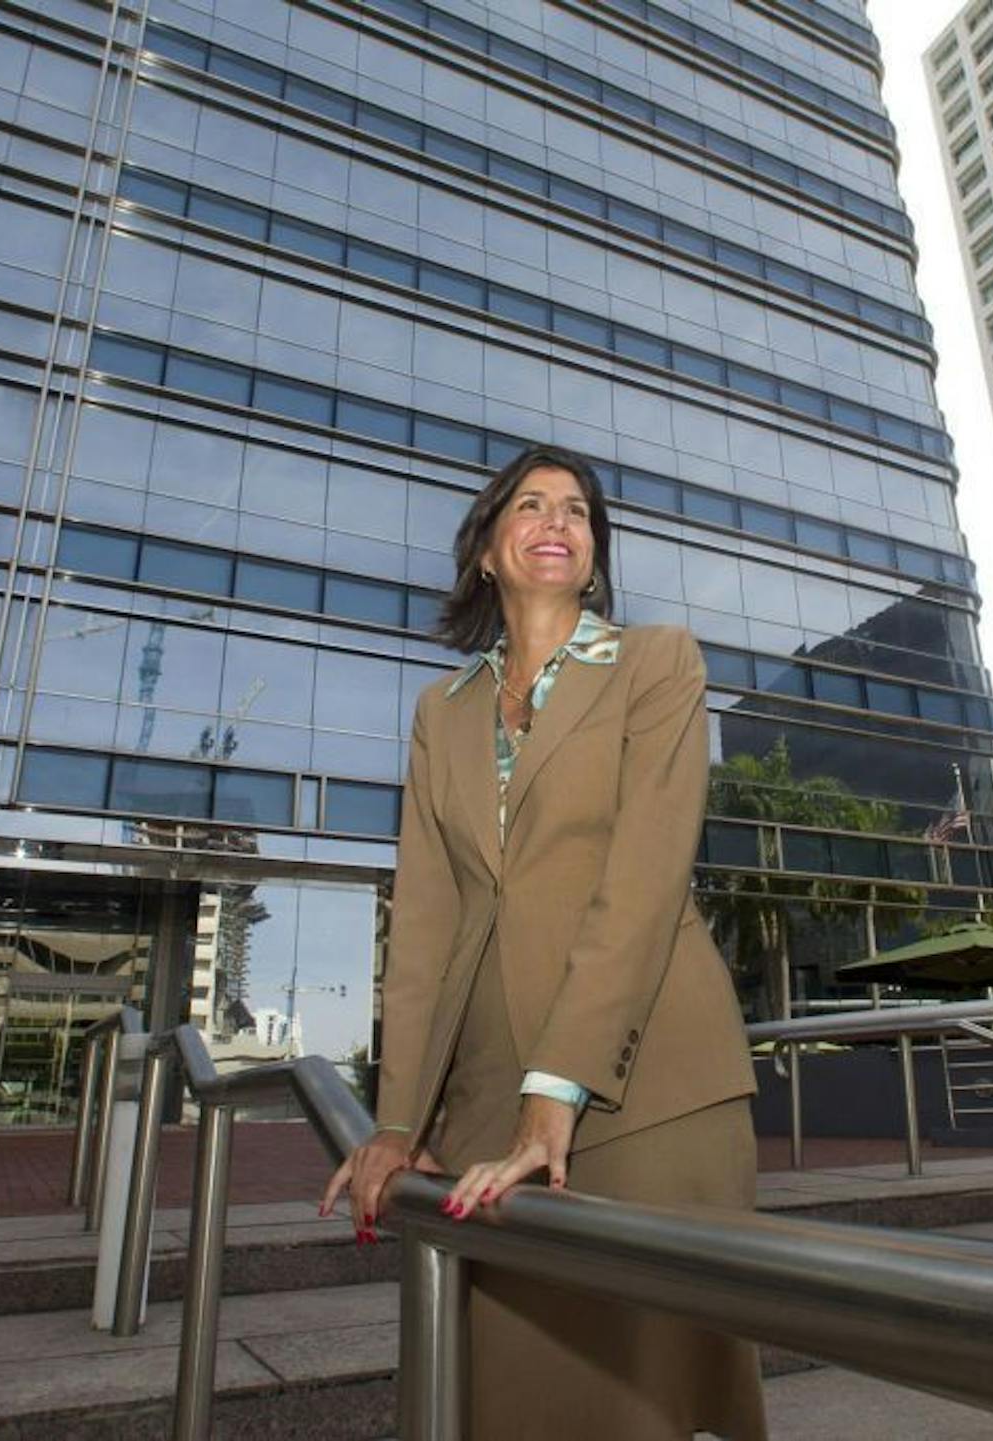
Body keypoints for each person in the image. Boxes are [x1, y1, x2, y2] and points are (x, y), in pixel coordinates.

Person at [319, 444, 764, 1438]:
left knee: (652, 1392)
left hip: (647, 1085)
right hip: (485, 1090)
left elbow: (645, 881)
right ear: (487, 550)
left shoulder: (658, 660)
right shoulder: (443, 711)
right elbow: (426, 918)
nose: (557, 518)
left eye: (577, 508)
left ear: (595, 552)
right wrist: (396, 1118)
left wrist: (556, 1085)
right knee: (508, 1397)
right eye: (529, 504)